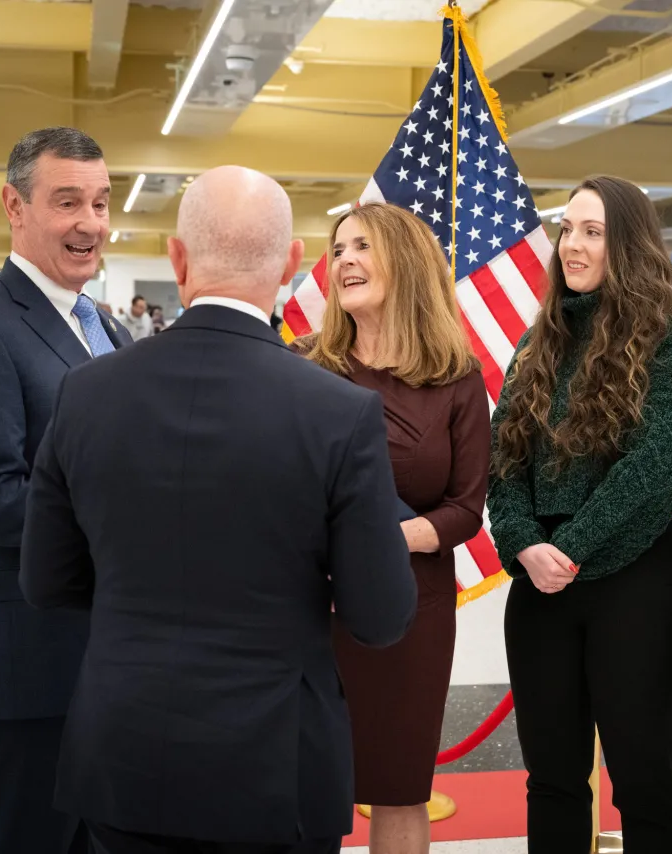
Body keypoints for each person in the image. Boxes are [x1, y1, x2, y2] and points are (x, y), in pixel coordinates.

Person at [19, 166, 417, 854]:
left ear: (177, 257)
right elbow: (380, 616)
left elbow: (46, 581)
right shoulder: (340, 413)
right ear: (295, 264)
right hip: (274, 770)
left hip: (124, 758)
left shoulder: (85, 394)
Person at [0, 126, 131, 854]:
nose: (90, 224)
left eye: (101, 203)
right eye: (67, 202)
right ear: (15, 205)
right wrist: (136, 516)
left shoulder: (106, 327)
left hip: (104, 656)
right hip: (20, 663)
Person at [487, 175, 672, 852]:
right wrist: (525, 543)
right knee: (551, 779)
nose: (573, 247)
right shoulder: (537, 344)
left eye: (594, 232)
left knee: (642, 779)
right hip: (539, 586)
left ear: (631, 244)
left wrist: (574, 545)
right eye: (568, 230)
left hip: (635, 582)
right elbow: (503, 460)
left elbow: (656, 464)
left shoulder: (667, 338)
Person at [297, 203, 490, 854]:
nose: (344, 260)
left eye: (362, 247)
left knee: (400, 786)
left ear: (404, 263)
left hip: (412, 609)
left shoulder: (455, 375)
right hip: (305, 607)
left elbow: (466, 508)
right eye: (338, 249)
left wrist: (382, 541)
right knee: (302, 780)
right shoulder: (304, 366)